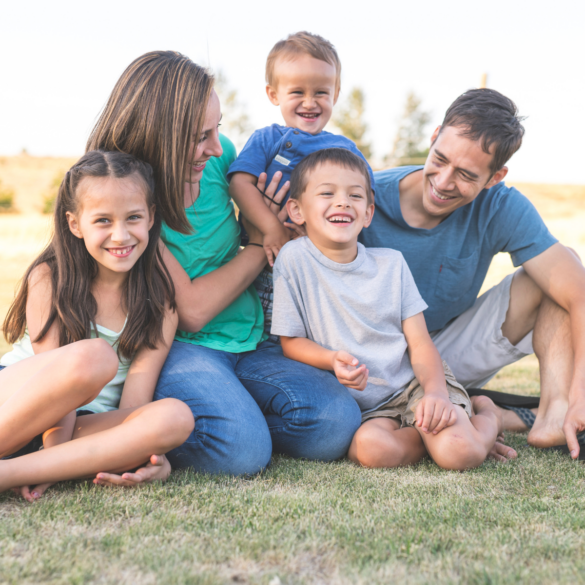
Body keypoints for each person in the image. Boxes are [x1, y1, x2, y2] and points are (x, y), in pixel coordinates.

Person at [86, 51, 361, 475]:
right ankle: (181, 425)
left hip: (249, 338)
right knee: (242, 453)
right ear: (158, 136)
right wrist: (258, 242)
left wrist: (288, 220)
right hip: (181, 348)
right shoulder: (127, 203)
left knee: (335, 423)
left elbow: (275, 205)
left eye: (218, 129)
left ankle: (225, 416)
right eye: (200, 137)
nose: (217, 148)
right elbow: (193, 311)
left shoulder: (218, 162)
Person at [359, 88, 585, 459]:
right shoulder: (364, 196)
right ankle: (489, 415)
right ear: (433, 137)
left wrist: (580, 395)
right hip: (372, 360)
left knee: (563, 269)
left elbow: (579, 294)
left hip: (445, 356)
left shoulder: (500, 207)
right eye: (440, 158)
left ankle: (554, 413)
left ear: (495, 176)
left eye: (466, 174)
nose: (444, 182)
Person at [271, 148, 505, 470]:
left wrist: (435, 394)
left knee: (458, 454)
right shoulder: (293, 261)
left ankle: (487, 414)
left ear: (368, 214)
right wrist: (330, 359)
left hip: (415, 386)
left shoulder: (391, 264)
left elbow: (421, 344)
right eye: (327, 193)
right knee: (370, 451)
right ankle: (434, 436)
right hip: (369, 409)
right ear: (297, 210)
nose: (342, 202)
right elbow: (290, 342)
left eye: (355, 195)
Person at [0, 150, 194, 501]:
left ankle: (12, 472)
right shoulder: (49, 278)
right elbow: (58, 401)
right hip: (18, 405)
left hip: (83, 428)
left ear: (151, 217)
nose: (120, 235)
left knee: (176, 417)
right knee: (94, 358)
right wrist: (54, 452)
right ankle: (41, 461)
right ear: (75, 224)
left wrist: (146, 454)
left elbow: (132, 406)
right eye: (103, 220)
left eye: (133, 217)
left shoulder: (160, 302)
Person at [227, 31, 375, 339]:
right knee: (274, 331)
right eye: (297, 92)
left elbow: (365, 199)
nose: (310, 102)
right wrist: (272, 228)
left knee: (325, 331)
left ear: (335, 94)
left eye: (321, 92)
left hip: (327, 267)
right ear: (273, 94)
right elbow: (240, 184)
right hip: (270, 262)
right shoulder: (267, 138)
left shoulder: (345, 150)